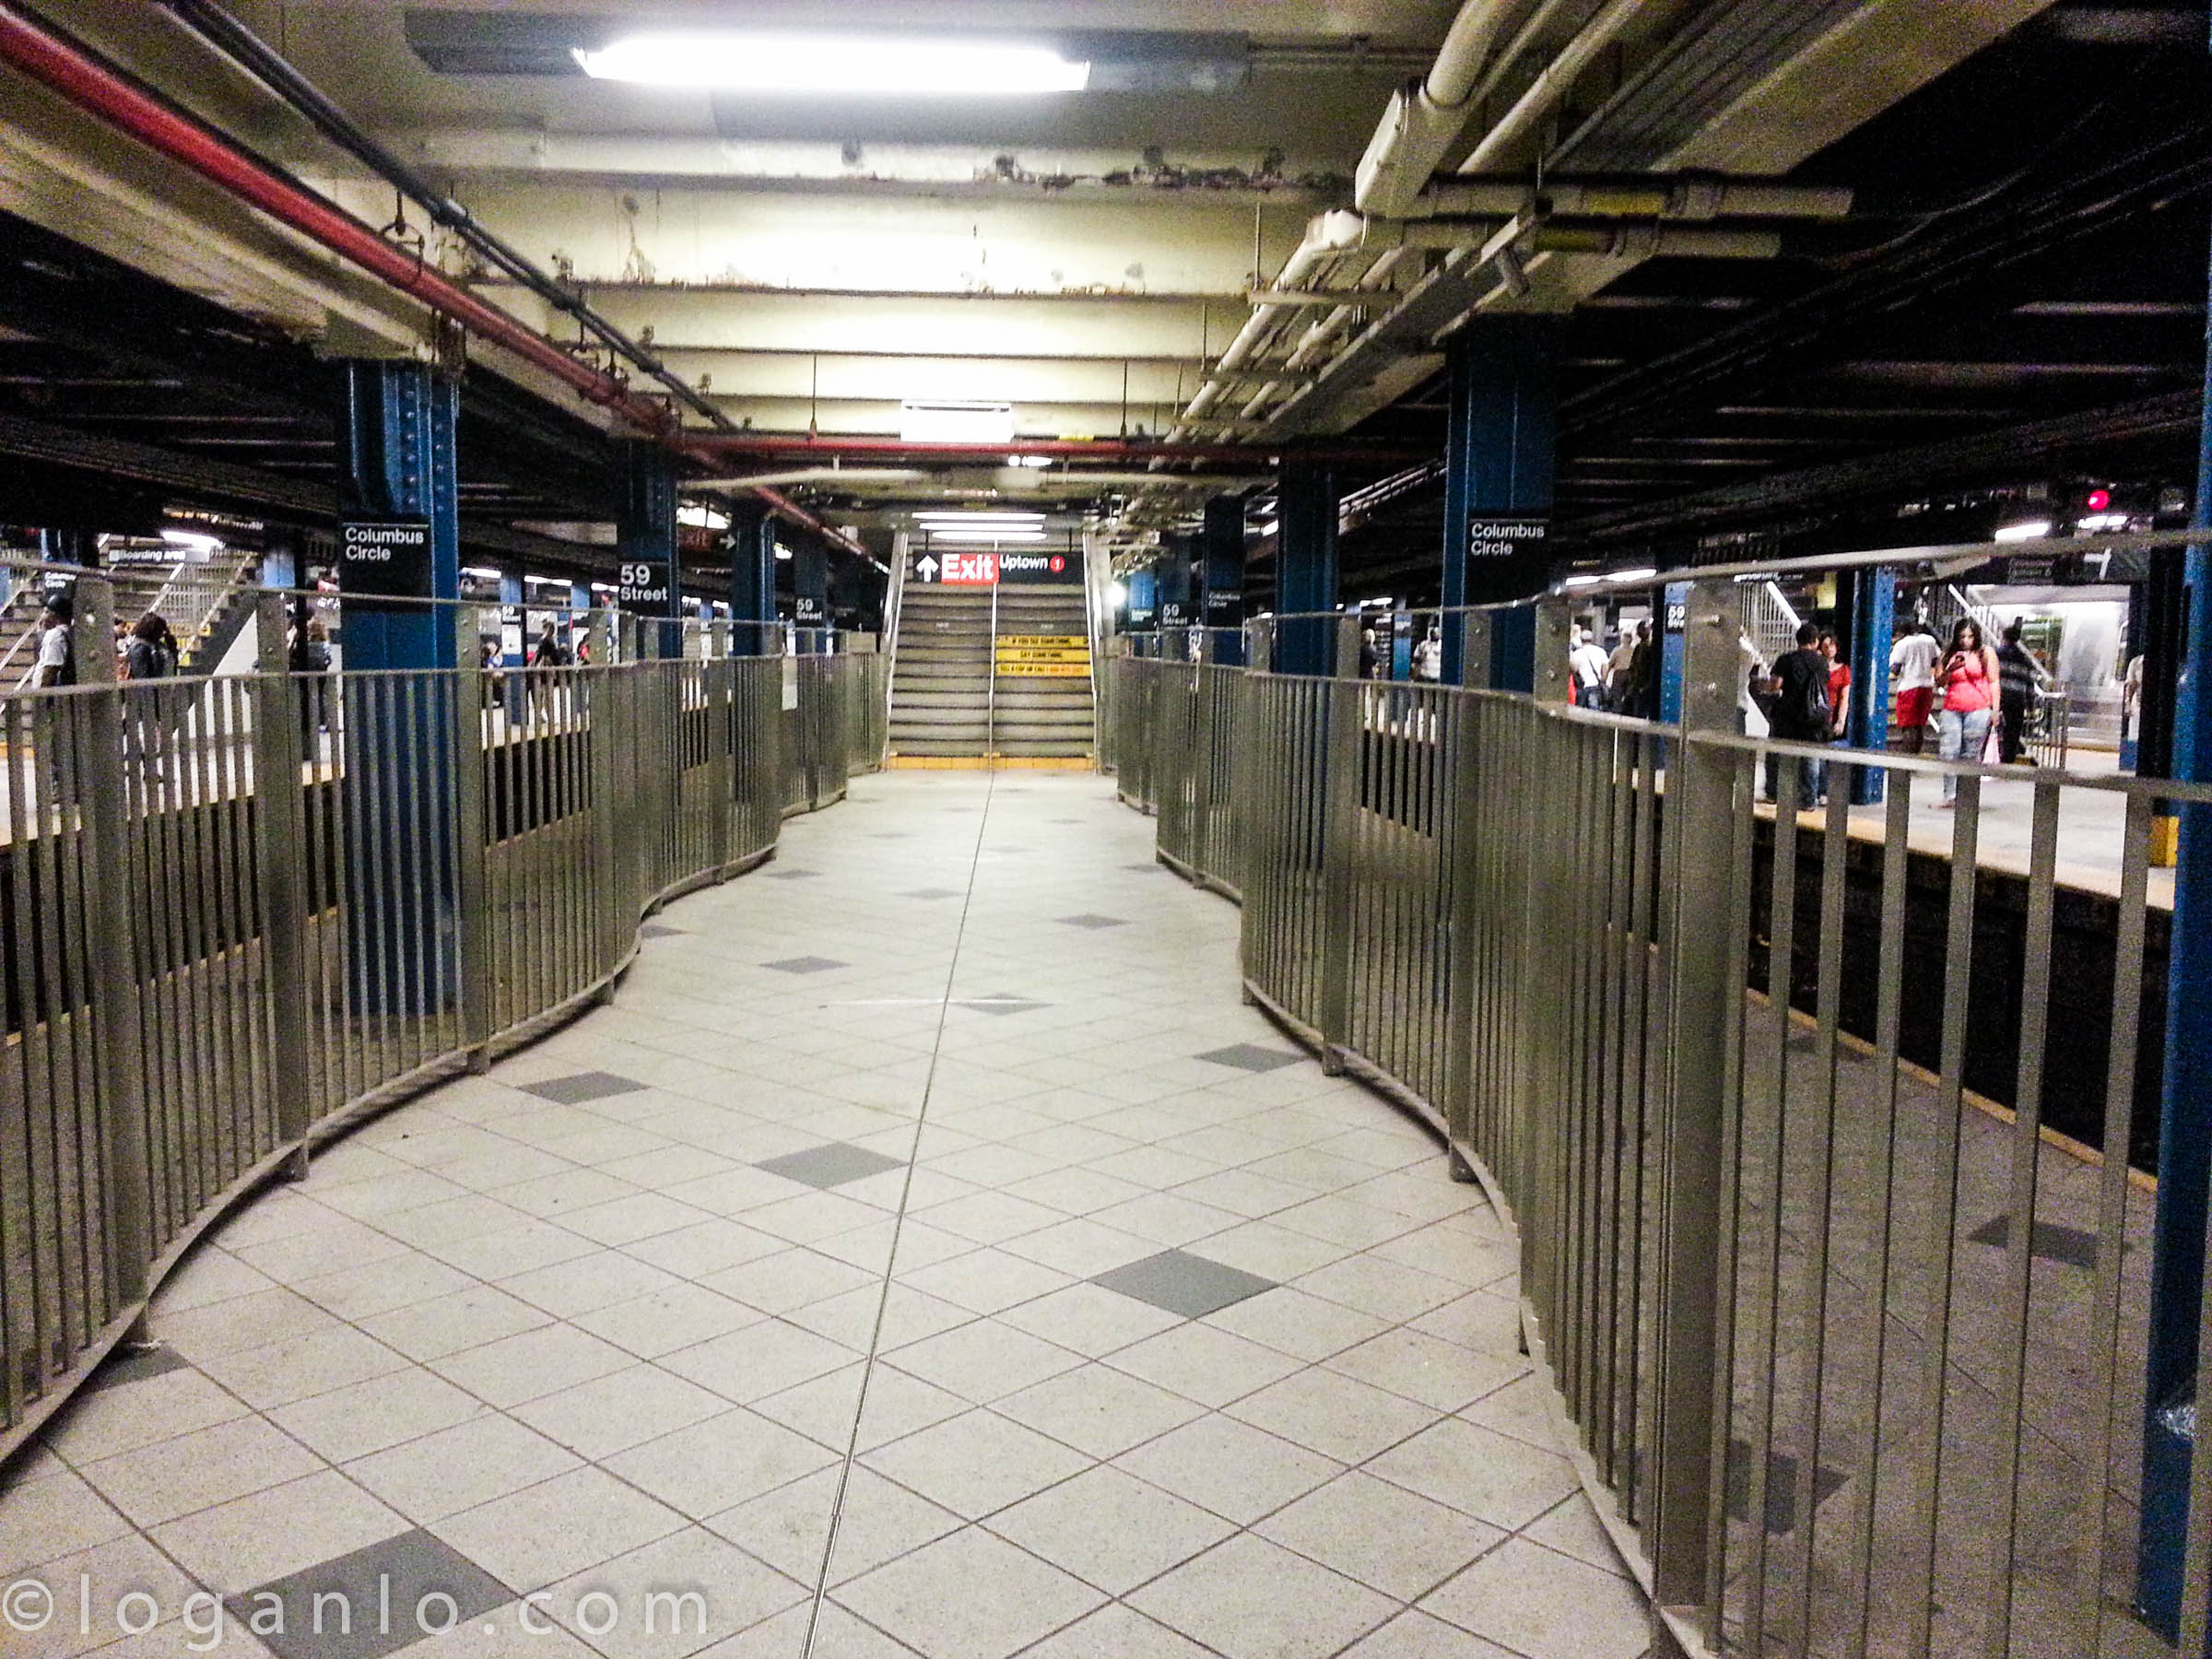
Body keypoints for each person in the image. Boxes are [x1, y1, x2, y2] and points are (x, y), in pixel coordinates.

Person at [1935, 617, 2000, 806]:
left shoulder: (1985, 653)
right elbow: (1939, 682)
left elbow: (1994, 681)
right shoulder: (1949, 653)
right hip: (1952, 707)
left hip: (1978, 708)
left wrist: (1995, 710)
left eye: (1970, 636)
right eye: (1962, 636)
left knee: (1971, 753)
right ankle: (1950, 795)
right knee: (1949, 751)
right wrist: (1950, 669)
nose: (1966, 640)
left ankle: (1967, 795)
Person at [1764, 622, 1830, 808]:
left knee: (1776, 754)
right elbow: (1823, 685)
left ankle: (1773, 793)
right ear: (1816, 641)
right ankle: (1809, 800)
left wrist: (1767, 687)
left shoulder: (1786, 660)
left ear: (1797, 640)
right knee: (1811, 757)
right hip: (1813, 717)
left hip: (1787, 715)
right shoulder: (1821, 662)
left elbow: (1776, 685)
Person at [1995, 619, 2048, 764]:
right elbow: (2030, 684)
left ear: (2004, 638)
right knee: (2013, 731)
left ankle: (1994, 755)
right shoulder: (2025, 659)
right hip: (2017, 699)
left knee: (1996, 728)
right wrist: (2030, 705)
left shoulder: (1997, 654)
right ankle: (2008, 760)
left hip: (1999, 697)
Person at [1889, 621, 1940, 754]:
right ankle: (1916, 756)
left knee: (1908, 727)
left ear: (1900, 633)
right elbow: (1936, 660)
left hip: (1908, 688)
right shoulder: (1929, 640)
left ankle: (1907, 759)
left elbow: (1895, 670)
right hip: (1927, 687)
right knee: (1919, 726)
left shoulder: (1902, 644)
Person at [33, 591, 74, 687]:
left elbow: (51, 669)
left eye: (47, 612)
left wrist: (41, 697)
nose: (43, 616)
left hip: (52, 696)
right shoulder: (69, 632)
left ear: (55, 615)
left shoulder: (55, 635)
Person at [1569, 627, 1609, 709]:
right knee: (1594, 711)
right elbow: (1605, 669)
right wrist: (1602, 680)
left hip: (1582, 686)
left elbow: (1574, 669)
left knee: (1580, 711)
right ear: (1592, 639)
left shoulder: (1577, 653)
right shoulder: (1601, 651)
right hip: (1596, 686)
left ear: (1581, 639)